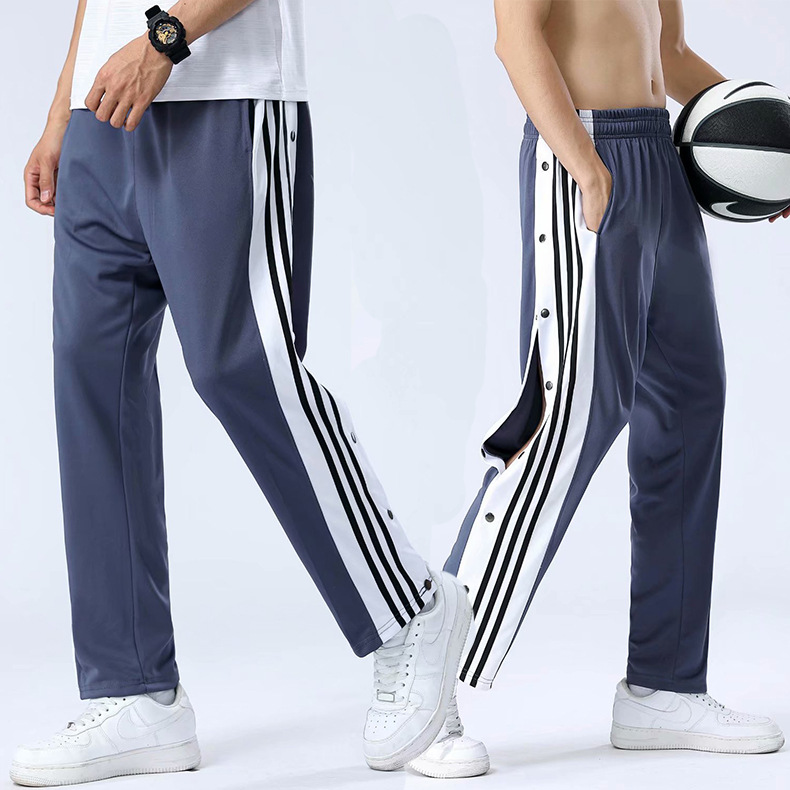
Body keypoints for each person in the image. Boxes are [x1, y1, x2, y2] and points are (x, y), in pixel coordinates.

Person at [14, 0, 472, 785]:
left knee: (239, 365)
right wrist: (61, 115)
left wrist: (164, 41)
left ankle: (410, 609)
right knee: (91, 377)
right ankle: (135, 691)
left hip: (220, 95)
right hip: (101, 115)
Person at [409, 0, 788, 779]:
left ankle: (663, 685)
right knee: (565, 422)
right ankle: (422, 691)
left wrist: (774, 149)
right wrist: (582, 161)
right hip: (588, 155)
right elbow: (515, 37)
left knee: (689, 406)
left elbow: (671, 52)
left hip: (660, 158)